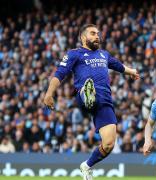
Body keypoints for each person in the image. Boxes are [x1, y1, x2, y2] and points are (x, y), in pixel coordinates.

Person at [43, 24, 139, 180]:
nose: (97, 36)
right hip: (84, 97)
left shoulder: (104, 55)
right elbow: (59, 74)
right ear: (83, 37)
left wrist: (132, 72)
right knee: (88, 90)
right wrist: (49, 93)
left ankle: (86, 166)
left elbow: (119, 66)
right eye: (93, 33)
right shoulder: (75, 54)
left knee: (109, 144)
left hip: (105, 102)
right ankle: (87, 94)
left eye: (98, 34)